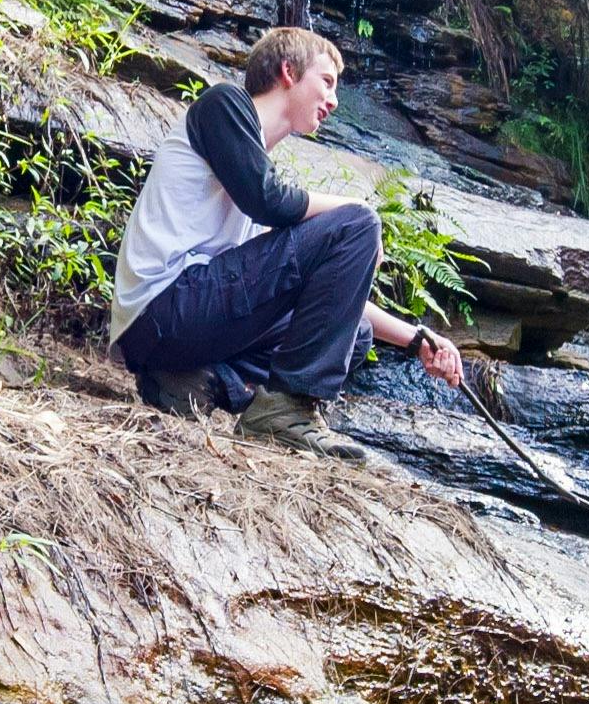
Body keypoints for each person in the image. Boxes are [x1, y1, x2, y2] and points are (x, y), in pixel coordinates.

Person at [110, 25, 465, 450]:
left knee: (355, 335)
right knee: (359, 223)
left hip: (187, 327)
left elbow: (331, 292)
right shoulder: (224, 106)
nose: (333, 101)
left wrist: (418, 338)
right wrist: (356, 212)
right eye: (327, 82)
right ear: (288, 71)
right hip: (163, 309)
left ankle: (192, 382)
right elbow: (271, 202)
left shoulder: (253, 166)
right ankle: (285, 410)